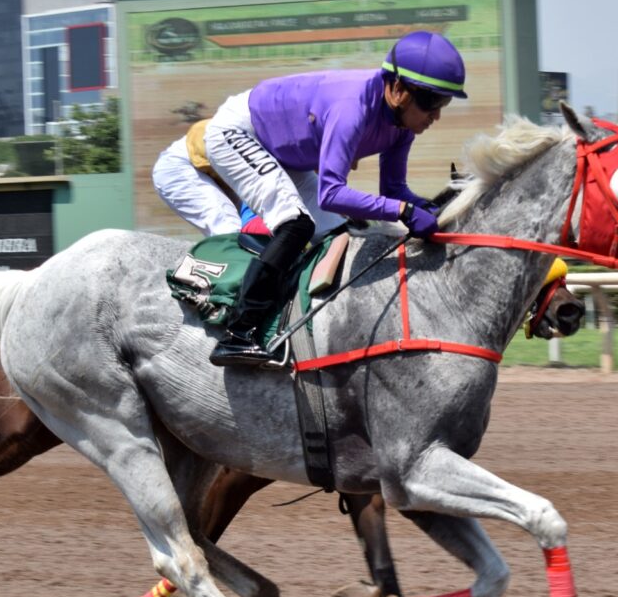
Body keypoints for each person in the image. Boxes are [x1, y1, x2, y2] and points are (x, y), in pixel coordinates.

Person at [198, 30, 467, 367]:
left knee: (340, 236)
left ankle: (289, 322)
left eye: (444, 103)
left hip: (286, 153)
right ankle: (238, 333)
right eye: (431, 102)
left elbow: (394, 191)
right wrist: (402, 210)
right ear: (398, 89)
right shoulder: (352, 108)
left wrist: (428, 206)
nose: (436, 115)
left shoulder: (401, 125)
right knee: (296, 224)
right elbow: (332, 193)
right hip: (238, 133)